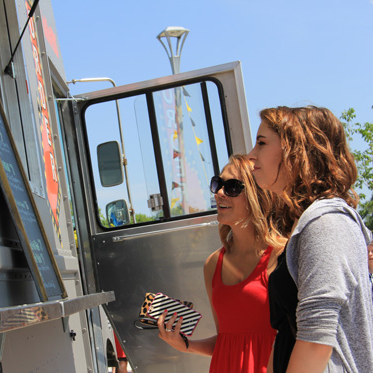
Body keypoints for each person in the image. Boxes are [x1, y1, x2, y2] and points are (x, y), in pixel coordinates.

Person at [248, 105, 373, 372]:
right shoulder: (301, 222)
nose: (251, 155)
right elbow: (287, 331)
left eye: (261, 144)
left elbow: (316, 341)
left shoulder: (326, 222)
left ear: (296, 150)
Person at [158, 154, 286, 372]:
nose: (218, 193)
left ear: (258, 196)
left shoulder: (282, 254)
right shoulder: (213, 264)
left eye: (232, 187)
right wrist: (186, 345)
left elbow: (304, 336)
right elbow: (228, 341)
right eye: (218, 184)